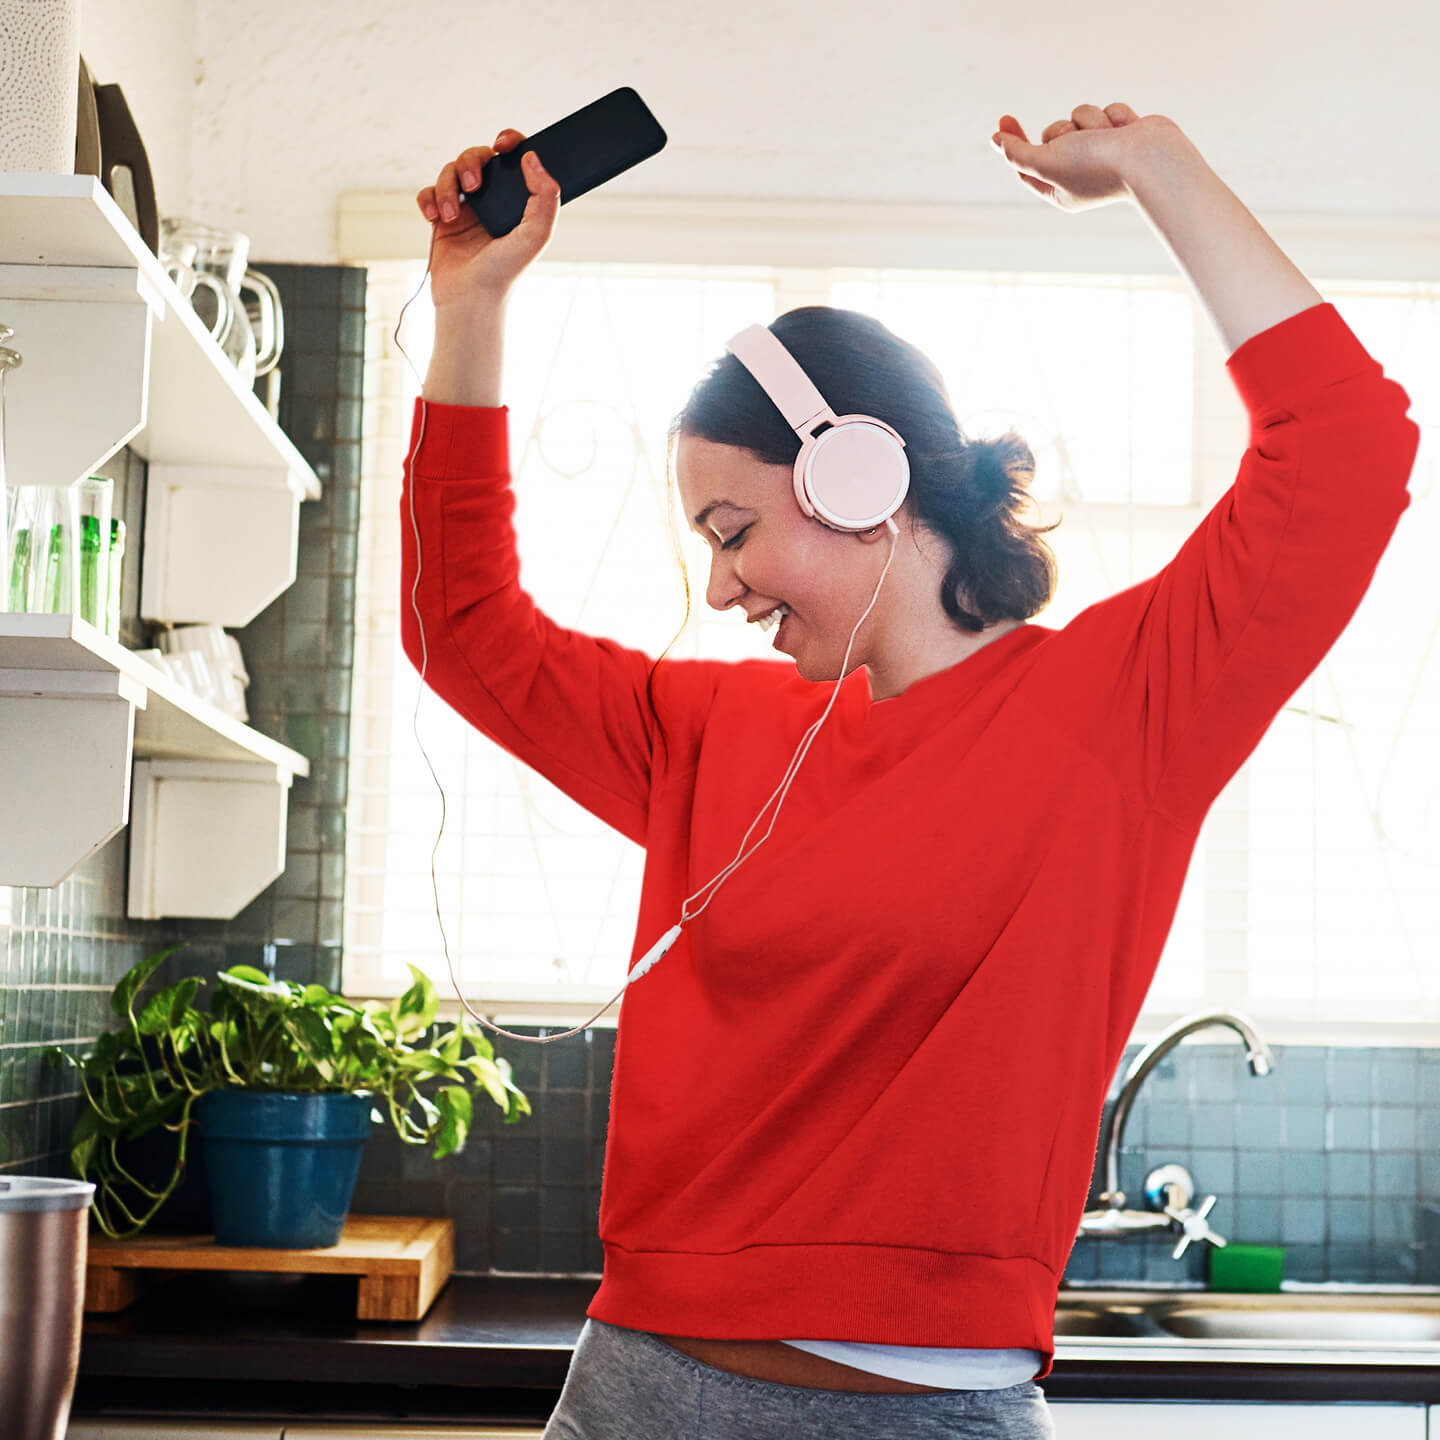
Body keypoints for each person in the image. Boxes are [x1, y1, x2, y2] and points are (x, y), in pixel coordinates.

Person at [404, 105, 1420, 1439]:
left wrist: (1156, 167)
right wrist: (470, 305)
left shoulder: (1121, 710)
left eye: (732, 530)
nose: (717, 588)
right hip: (637, 1387)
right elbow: (460, 627)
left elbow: (1348, 443)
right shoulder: (711, 733)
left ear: (854, 469)